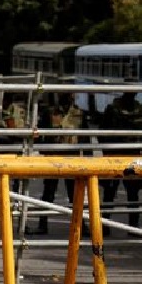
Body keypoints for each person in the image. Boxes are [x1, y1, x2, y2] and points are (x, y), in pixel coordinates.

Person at [27, 92, 85, 235]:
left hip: (72, 158)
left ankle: (81, 225)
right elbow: (39, 133)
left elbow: (85, 135)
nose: (68, 98)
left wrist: (87, 157)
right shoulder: (50, 113)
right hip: (54, 157)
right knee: (49, 193)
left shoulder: (78, 113)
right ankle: (43, 224)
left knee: (75, 194)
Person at [100, 92, 142, 232]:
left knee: (132, 193)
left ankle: (132, 226)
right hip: (115, 154)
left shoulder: (140, 110)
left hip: (131, 155)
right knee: (110, 192)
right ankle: (105, 225)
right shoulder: (112, 109)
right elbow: (102, 132)